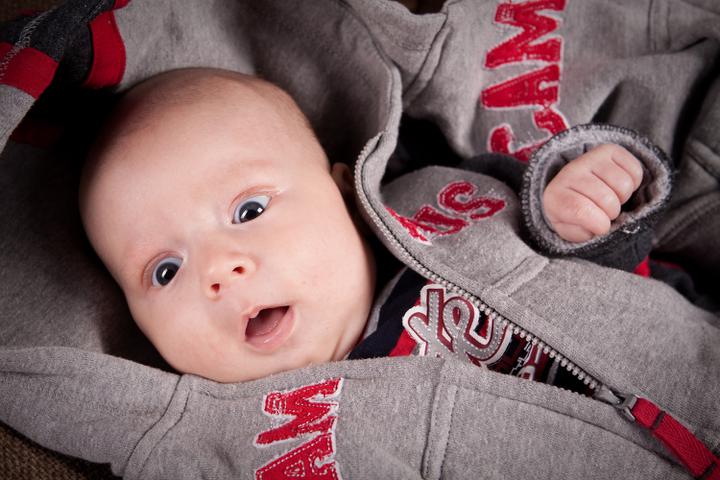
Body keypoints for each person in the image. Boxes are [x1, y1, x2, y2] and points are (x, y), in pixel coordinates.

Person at [79, 67, 648, 386]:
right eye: (165, 270)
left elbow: (618, 282)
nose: (218, 270)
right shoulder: (242, 440)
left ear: (346, 194)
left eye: (249, 211)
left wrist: (576, 219)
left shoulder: (443, 205)